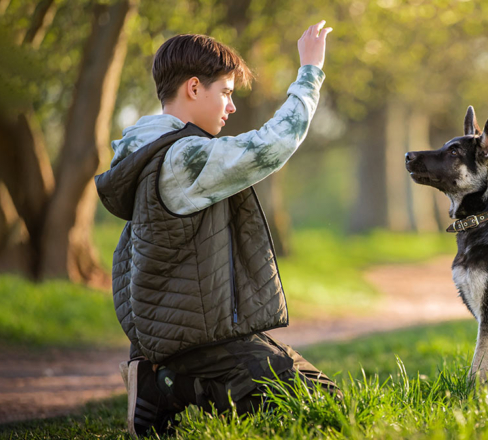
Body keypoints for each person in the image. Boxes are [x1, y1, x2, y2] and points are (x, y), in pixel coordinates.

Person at [94, 21, 337, 438]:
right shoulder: (182, 157)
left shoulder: (146, 147)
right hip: (196, 342)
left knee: (315, 397)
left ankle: (160, 377)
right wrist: (310, 73)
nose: (232, 106)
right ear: (193, 88)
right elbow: (269, 146)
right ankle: (170, 384)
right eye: (225, 92)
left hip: (185, 332)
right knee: (323, 405)